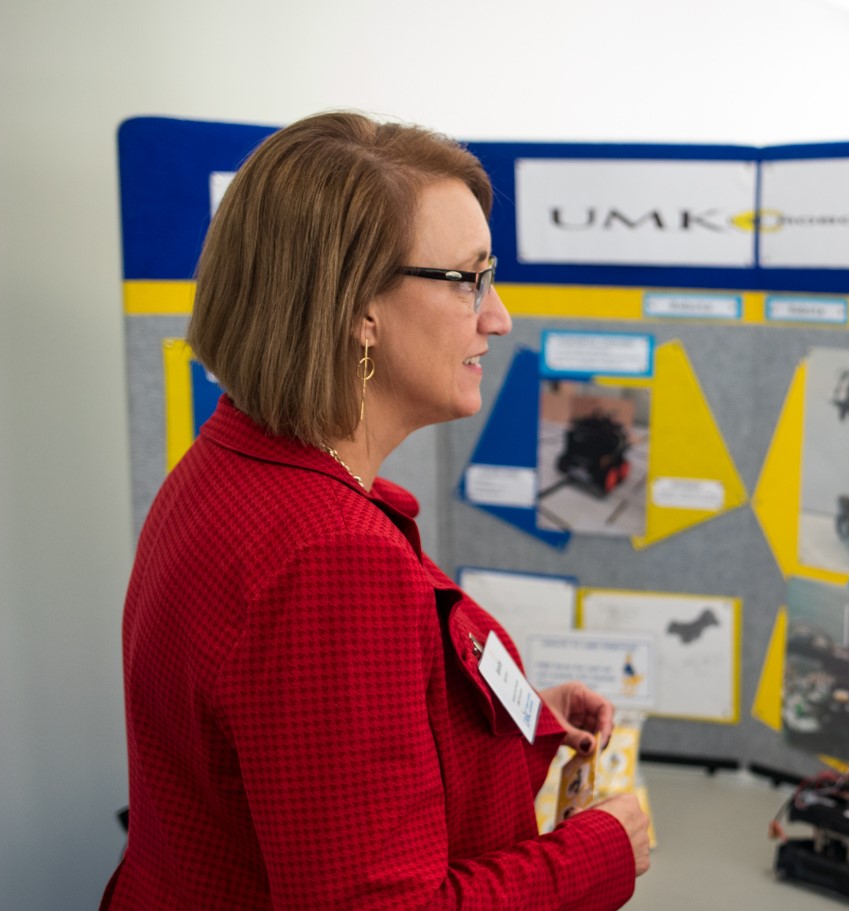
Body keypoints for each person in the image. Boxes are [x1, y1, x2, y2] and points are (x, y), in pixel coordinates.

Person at [106, 112, 650, 910]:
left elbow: (305, 754)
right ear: (360, 307)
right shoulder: (328, 555)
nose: (496, 317)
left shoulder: (234, 464)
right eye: (469, 279)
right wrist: (597, 852)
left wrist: (512, 723)